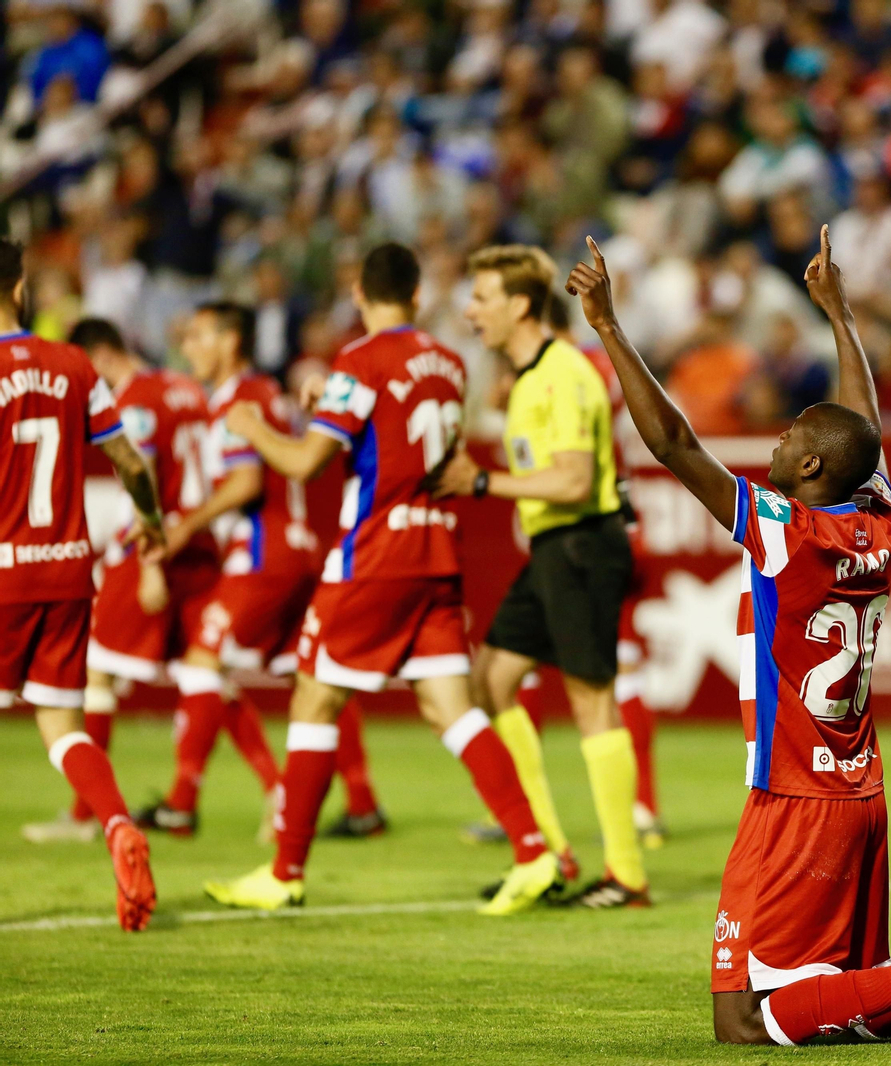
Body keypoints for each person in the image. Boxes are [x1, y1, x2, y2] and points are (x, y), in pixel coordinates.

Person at [565, 227, 891, 1047]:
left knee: (743, 1020)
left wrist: (610, 327)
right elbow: (860, 425)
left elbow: (672, 444)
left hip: (795, 797)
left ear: (812, 471)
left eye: (795, 431)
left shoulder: (784, 532)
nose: (781, 434)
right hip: (860, 792)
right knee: (843, 996)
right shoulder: (881, 520)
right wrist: (839, 315)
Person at [201, 243, 553, 915]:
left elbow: (306, 463)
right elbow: (397, 429)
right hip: (436, 553)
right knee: (451, 708)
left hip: (374, 557)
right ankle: (534, 851)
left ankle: (284, 870)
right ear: (417, 296)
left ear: (358, 293)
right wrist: (322, 401)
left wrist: (251, 424)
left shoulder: (360, 359)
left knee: (313, 699)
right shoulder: (448, 363)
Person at [432, 244, 648, 908]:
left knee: (591, 702)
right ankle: (549, 853)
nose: (470, 312)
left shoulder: (563, 375)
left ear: (520, 305)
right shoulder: (529, 379)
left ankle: (626, 875)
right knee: (492, 679)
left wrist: (482, 481)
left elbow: (575, 478)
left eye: (482, 298)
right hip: (554, 547)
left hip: (583, 541)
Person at [135, 303, 382, 840]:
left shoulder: (238, 400)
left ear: (230, 341)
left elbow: (246, 483)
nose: (189, 346)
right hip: (295, 550)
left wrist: (183, 527)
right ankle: (361, 802)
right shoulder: (265, 391)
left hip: (263, 555)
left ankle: (182, 802)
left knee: (201, 664)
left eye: (199, 335)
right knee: (315, 676)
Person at [0, 237, 160, 930]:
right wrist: (150, 520)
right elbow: (129, 459)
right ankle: (118, 823)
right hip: (69, 571)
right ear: (20, 284)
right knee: (63, 726)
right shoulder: (75, 364)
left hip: (3, 571)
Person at [21, 318, 216, 844]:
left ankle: (90, 816)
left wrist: (151, 554)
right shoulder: (186, 388)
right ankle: (251, 791)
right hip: (195, 544)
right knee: (205, 670)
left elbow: (139, 469)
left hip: (151, 547)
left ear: (102, 355)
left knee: (101, 672)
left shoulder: (135, 401)